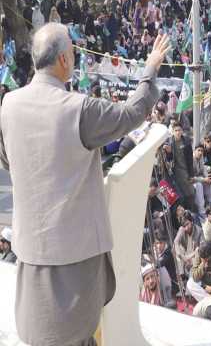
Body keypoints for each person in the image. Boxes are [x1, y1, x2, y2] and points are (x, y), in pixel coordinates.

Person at [0, 24, 170, 346]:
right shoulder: (79, 110)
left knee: (42, 332)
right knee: (76, 332)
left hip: (32, 251)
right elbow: (132, 113)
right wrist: (150, 69)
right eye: (74, 53)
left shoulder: (9, 104)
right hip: (75, 258)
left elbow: (8, 159)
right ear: (64, 59)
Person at [174, 211, 204, 280]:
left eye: (187, 224)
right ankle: (181, 275)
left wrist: (189, 257)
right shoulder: (182, 230)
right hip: (184, 257)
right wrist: (182, 256)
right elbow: (176, 242)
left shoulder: (199, 231)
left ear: (192, 222)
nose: (186, 228)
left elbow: (201, 249)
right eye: (184, 226)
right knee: (177, 248)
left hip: (195, 256)